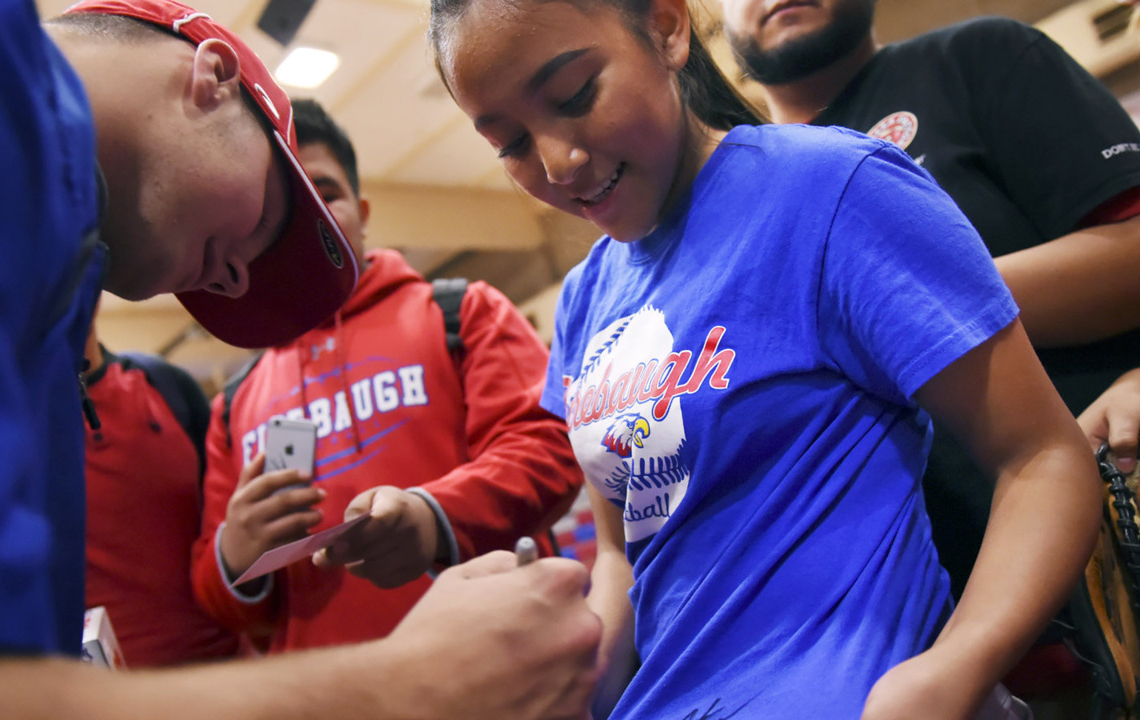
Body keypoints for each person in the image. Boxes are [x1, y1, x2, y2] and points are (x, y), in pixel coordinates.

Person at [0, 1, 601, 718]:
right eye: (274, 213)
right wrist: (401, 684)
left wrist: (435, 516)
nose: (236, 279)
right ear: (213, 77)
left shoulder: (47, 272)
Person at [427, 0, 1100, 715]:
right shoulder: (584, 300)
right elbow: (626, 554)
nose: (558, 162)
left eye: (574, 97)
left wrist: (954, 667)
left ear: (665, 27)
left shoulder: (833, 188)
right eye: (510, 144)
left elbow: (1041, 456)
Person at [715, 0, 1140, 704]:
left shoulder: (976, 59)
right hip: (908, 661)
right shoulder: (734, 204)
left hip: (1101, 567)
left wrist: (886, 301)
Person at [192, 99, 583, 651]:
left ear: (364, 211)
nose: (306, 220)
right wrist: (235, 553)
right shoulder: (231, 405)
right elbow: (219, 600)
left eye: (324, 194)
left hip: (499, 667)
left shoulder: (463, 311)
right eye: (275, 209)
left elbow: (548, 449)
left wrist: (434, 514)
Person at [82, 315, 240, 667]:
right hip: (98, 698)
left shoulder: (166, 384)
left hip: (222, 677)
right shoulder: (7, 417)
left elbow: (224, 541)